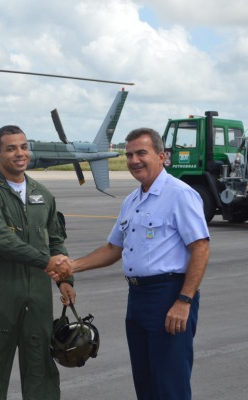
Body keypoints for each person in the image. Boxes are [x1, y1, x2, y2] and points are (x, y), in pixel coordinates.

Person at [52, 128, 210, 400]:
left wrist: (184, 300)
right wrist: (72, 267)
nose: (134, 160)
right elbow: (114, 248)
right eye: (129, 155)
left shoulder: (179, 194)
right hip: (138, 297)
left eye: (141, 153)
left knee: (170, 383)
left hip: (170, 295)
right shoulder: (132, 201)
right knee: (145, 381)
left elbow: (200, 248)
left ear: (161, 157)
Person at [0, 125, 75, 400]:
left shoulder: (43, 194)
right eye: (11, 148)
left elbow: (55, 239)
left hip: (38, 299)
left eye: (24, 146)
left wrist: (65, 280)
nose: (20, 153)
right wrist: (50, 263)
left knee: (42, 373)